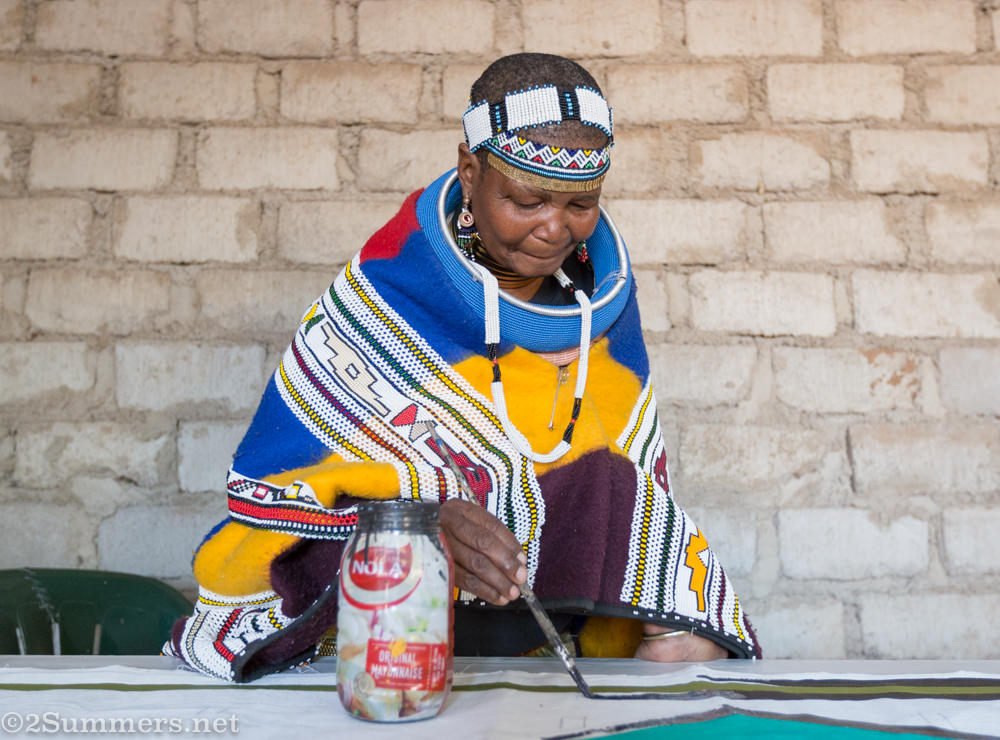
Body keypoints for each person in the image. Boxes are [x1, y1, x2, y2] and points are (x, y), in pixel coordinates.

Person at [165, 53, 760, 682]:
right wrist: (419, 524)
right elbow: (274, 497)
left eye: (581, 204)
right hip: (378, 652)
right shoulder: (383, 303)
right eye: (527, 200)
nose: (555, 228)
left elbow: (630, 493)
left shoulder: (603, 310)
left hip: (555, 672)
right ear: (470, 172)